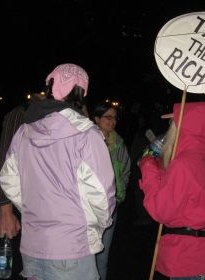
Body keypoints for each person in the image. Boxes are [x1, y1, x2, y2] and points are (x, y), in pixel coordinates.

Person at [0, 63, 116, 280]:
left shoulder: (24, 131)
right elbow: (101, 195)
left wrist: (33, 209)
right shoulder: (87, 135)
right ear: (83, 92)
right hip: (72, 247)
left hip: (32, 245)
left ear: (50, 86)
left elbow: (8, 179)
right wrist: (95, 228)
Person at [138, 102, 205, 280]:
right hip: (202, 252)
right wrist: (159, 168)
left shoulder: (183, 163)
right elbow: (180, 192)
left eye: (172, 123)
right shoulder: (199, 157)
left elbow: (161, 210)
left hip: (190, 258)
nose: (169, 128)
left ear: (183, 127)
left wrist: (148, 168)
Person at [0, 93, 46, 241]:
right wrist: (5, 209)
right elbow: (6, 160)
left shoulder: (63, 114)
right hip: (30, 200)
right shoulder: (21, 113)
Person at [91, 101, 130, 280]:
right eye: (108, 117)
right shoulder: (86, 140)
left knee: (102, 257)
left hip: (110, 207)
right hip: (88, 208)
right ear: (96, 119)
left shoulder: (119, 143)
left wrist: (119, 195)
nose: (112, 121)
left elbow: (125, 171)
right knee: (85, 255)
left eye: (115, 117)